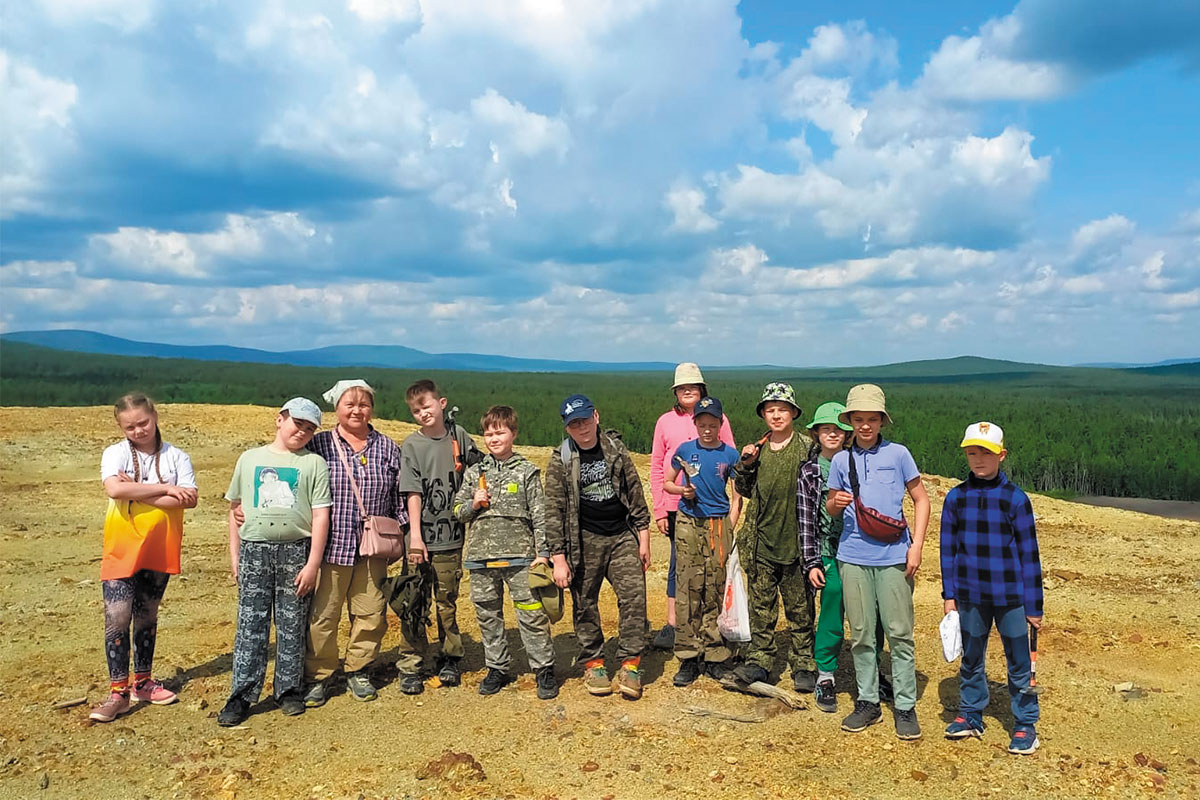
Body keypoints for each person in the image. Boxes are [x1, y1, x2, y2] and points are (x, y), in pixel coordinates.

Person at [218, 398, 331, 726]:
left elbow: (321, 515)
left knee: (293, 623)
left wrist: (312, 564)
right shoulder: (250, 459)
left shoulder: (313, 464)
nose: (302, 432)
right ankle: (242, 693)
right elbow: (235, 508)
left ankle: (288, 689)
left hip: (296, 549)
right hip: (255, 549)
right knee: (250, 624)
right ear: (280, 420)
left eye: (310, 429)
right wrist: (235, 555)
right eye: (298, 424)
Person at [826, 384, 930, 739]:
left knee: (900, 634)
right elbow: (830, 506)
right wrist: (834, 504)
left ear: (882, 421)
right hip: (853, 555)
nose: (866, 425)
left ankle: (905, 706)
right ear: (850, 421)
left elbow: (921, 499)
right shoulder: (841, 460)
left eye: (872, 419)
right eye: (859, 419)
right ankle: (867, 702)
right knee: (862, 635)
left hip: (894, 557)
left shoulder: (899, 454)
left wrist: (915, 547)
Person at [90, 393, 198, 723]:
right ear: (120, 427)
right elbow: (115, 490)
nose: (138, 431)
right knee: (118, 616)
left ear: (155, 417)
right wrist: (165, 490)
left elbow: (189, 499)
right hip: (122, 547)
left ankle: (143, 681)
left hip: (159, 546)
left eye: (143, 423)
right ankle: (118, 692)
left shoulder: (177, 456)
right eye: (130, 426)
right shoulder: (115, 453)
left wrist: (137, 488)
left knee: (147, 614)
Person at [453, 405, 570, 700]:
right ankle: (496, 666)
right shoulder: (474, 472)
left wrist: (543, 553)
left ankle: (543, 668)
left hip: (521, 557)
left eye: (500, 432)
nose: (493, 438)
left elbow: (540, 516)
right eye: (489, 434)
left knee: (531, 615)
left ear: (513, 434)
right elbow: (457, 511)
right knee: (488, 616)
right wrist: (473, 504)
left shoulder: (527, 471)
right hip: (481, 557)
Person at [303, 380, 407, 706]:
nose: (357, 410)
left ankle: (359, 670)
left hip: (372, 548)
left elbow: (400, 497)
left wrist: (401, 535)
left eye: (364, 404)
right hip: (329, 546)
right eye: (350, 404)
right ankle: (320, 675)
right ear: (336, 408)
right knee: (324, 615)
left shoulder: (389, 448)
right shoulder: (319, 445)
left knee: (371, 612)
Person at [941, 422, 1043, 755]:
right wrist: (949, 596)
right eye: (972, 452)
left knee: (1019, 662)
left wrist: (1035, 606)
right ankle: (971, 715)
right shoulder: (956, 497)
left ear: (1001, 455)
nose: (978, 459)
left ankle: (1025, 724)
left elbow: (1030, 555)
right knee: (971, 659)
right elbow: (947, 551)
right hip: (970, 594)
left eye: (985, 452)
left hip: (1011, 596)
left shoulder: (1015, 499)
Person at [544, 394, 652, 699]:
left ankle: (630, 664)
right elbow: (553, 511)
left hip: (621, 535)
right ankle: (594, 662)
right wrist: (558, 558)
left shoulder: (615, 449)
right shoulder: (561, 460)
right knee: (585, 601)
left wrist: (643, 539)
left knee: (634, 598)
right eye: (574, 424)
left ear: (597, 416)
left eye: (585, 419)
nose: (582, 427)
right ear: (568, 429)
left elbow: (635, 493)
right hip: (583, 538)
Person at [798, 401, 890, 714]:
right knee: (834, 601)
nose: (833, 434)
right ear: (816, 434)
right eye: (826, 429)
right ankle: (825, 673)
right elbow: (807, 519)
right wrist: (812, 561)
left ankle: (873, 670)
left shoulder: (860, 462)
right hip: (829, 550)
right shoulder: (810, 471)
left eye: (839, 429)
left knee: (873, 609)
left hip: (864, 547)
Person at [728, 383, 817, 694]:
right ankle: (760, 658)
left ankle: (804, 662)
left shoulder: (808, 448)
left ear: (793, 412)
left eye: (782, 409)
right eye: (770, 410)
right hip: (761, 544)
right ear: (763, 415)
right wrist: (745, 465)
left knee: (800, 609)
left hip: (797, 543)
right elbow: (743, 489)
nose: (776, 415)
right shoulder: (758, 450)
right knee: (761, 608)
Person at [398, 379, 482, 694]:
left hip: (451, 536)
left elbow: (480, 469)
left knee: (446, 601)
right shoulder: (412, 445)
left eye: (427, 406)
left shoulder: (459, 437)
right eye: (416, 410)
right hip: (420, 538)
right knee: (414, 601)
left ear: (442, 403)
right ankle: (411, 663)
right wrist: (415, 537)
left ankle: (450, 658)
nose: (423, 414)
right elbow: (413, 493)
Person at [649, 363, 736, 651]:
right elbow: (658, 468)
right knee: (680, 566)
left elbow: (730, 464)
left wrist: (733, 512)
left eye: (693, 387)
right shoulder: (664, 422)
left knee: (712, 568)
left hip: (712, 509)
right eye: (682, 387)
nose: (688, 391)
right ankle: (674, 624)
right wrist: (660, 510)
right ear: (675, 391)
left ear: (702, 390)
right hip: (677, 508)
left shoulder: (718, 420)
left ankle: (711, 626)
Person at [663, 396, 741, 685]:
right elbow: (667, 481)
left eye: (713, 424)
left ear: (720, 424)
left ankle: (715, 654)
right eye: (702, 424)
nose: (707, 429)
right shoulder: (685, 450)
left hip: (718, 523)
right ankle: (687, 655)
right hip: (688, 523)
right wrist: (680, 492)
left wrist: (730, 522)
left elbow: (737, 494)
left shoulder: (730, 455)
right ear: (694, 423)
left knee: (716, 587)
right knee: (687, 588)